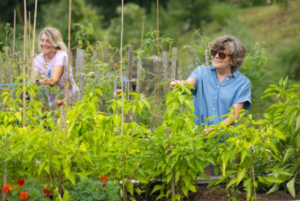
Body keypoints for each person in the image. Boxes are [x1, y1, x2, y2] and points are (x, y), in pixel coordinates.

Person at [170, 35, 251, 133]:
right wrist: (180, 84)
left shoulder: (242, 83)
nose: (216, 56)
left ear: (233, 60)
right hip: (198, 138)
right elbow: (189, 83)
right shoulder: (201, 72)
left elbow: (233, 117)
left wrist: (212, 131)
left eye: (222, 54)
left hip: (225, 142)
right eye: (214, 52)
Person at [34, 27, 79, 106]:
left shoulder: (61, 55)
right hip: (54, 104)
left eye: (48, 41)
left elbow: (54, 81)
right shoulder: (38, 60)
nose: (44, 44)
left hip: (71, 100)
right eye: (42, 40)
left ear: (55, 43)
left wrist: (38, 81)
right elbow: (33, 80)